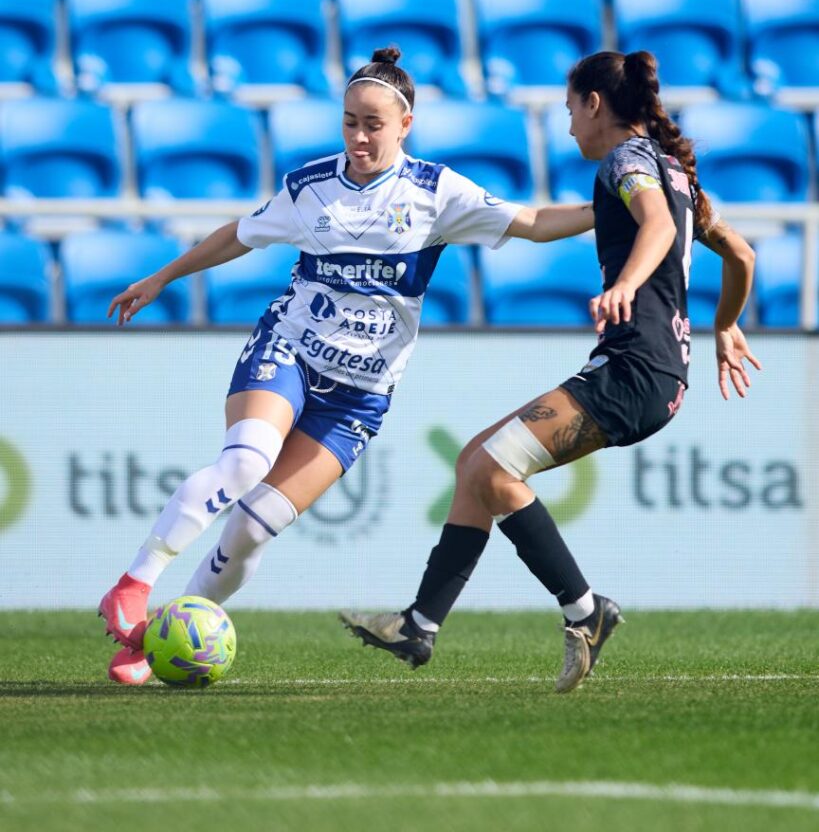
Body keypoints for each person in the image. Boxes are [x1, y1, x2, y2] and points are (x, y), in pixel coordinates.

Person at [99, 46, 598, 684]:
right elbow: (240, 233)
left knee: (255, 528)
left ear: (405, 125)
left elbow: (529, 221)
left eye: (373, 124)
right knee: (246, 462)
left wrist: (606, 208)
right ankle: (133, 586)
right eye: (349, 122)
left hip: (359, 396)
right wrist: (163, 275)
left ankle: (156, 642)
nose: (359, 137)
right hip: (292, 353)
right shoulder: (310, 187)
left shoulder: (435, 192)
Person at [341, 50, 761, 694]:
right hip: (649, 370)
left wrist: (624, 283)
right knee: (475, 462)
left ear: (596, 103)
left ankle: (586, 611)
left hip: (636, 370)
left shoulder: (626, 162)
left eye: (570, 109)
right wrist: (725, 324)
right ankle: (420, 624)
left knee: (492, 469)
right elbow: (741, 252)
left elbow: (652, 226)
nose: (568, 127)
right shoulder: (676, 172)